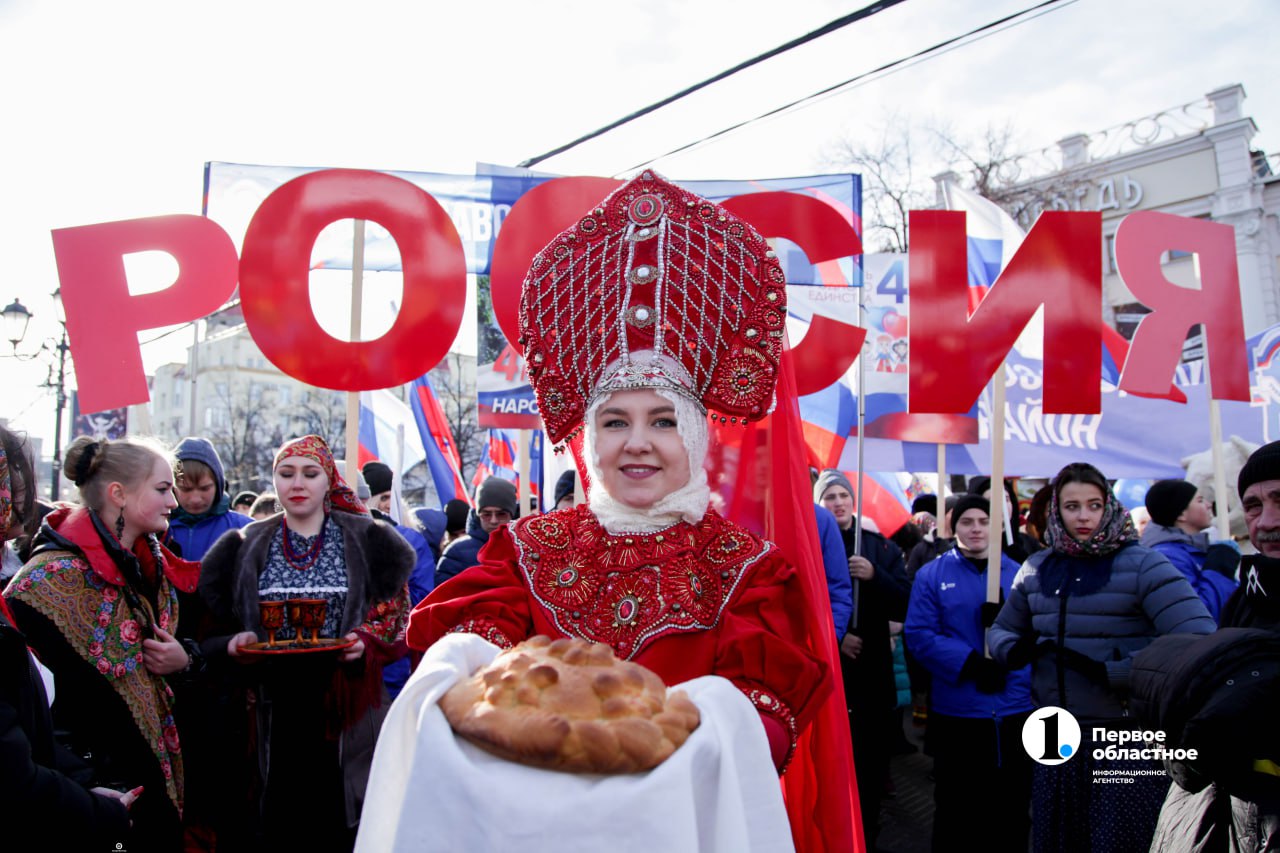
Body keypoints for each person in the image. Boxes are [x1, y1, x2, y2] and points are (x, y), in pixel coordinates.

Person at [358, 173, 849, 852]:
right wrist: (460, 663)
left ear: (697, 438)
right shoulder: (528, 549)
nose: (638, 441)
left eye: (664, 421)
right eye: (615, 421)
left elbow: (763, 722)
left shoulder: (750, 571)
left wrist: (665, 745)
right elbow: (479, 642)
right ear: (590, 440)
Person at [198, 435, 415, 851]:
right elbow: (212, 629)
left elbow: (398, 615)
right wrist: (233, 642)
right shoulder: (245, 545)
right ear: (274, 481)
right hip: (267, 706)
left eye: (310, 474)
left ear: (327, 481)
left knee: (341, 820)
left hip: (345, 703)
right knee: (276, 818)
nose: (297, 483)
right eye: (286, 473)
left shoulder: (367, 538)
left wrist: (364, 640)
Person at [987, 461, 1215, 853]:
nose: (1084, 516)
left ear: (1108, 506)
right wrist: (1015, 649)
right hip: (1053, 731)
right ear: (1055, 511)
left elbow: (1197, 639)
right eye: (1072, 506)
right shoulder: (1037, 568)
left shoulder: (1144, 564)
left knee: (1120, 840)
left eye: (1093, 504)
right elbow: (1001, 632)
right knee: (1056, 838)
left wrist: (1119, 672)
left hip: (1123, 734)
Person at [5, 435, 200, 851]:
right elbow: (35, 708)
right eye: (163, 489)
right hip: (93, 796)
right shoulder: (45, 582)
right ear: (119, 495)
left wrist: (185, 660)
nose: (175, 502)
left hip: (150, 783)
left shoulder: (156, 570)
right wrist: (87, 787)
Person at [1131, 440, 1280, 851]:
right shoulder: (1249, 595)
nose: (1266, 521)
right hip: (1231, 820)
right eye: (1252, 505)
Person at [0, 426, 141, 848]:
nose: (172, 501)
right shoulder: (51, 572)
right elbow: (11, 776)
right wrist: (103, 815)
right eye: (162, 487)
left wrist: (83, 784)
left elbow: (28, 734)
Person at [905, 494, 1034, 851]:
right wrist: (970, 664)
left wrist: (1010, 641)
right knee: (956, 808)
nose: (976, 529)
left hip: (1014, 709)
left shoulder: (1022, 573)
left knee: (1011, 809)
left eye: (983, 521)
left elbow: (1038, 634)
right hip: (958, 711)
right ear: (954, 526)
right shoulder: (932, 574)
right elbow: (919, 634)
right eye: (967, 521)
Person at [815, 467, 909, 849]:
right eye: (829, 497)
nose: (837, 503)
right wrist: (836, 640)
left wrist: (874, 575)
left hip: (872, 671)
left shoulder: (878, 546)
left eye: (842, 496)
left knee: (869, 763)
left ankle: (868, 834)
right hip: (832, 667)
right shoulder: (813, 538)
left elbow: (904, 599)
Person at [1141, 478, 1239, 623]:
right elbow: (1201, 612)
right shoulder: (1168, 557)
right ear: (1181, 514)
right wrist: (1220, 566)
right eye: (1199, 501)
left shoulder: (1192, 550)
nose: (1208, 505)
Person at [164, 436, 252, 561]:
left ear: (219, 485)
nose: (195, 499)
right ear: (173, 487)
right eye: (186, 489)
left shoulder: (244, 529)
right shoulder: (156, 529)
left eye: (204, 488)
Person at [434, 476, 518, 585]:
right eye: (486, 514)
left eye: (501, 514)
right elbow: (444, 594)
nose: (493, 520)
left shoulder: (526, 547)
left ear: (512, 514)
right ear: (478, 514)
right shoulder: (456, 552)